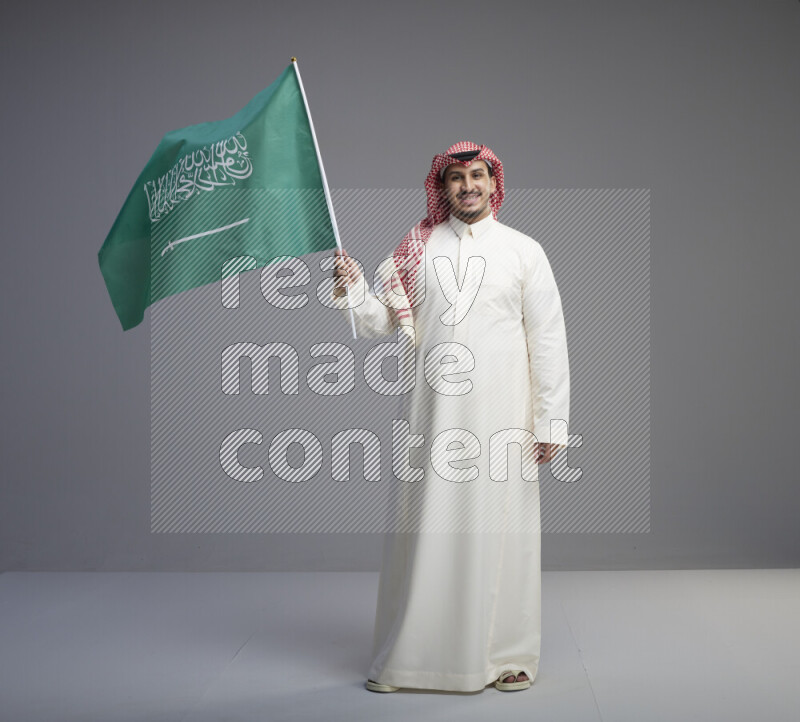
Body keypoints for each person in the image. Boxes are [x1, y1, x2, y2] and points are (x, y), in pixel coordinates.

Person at [331, 141, 570, 693]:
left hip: (505, 417)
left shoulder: (523, 252)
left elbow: (549, 340)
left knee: (505, 534)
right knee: (426, 529)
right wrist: (353, 287)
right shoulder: (417, 247)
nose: (468, 187)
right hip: (430, 416)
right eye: (457, 178)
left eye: (478, 176)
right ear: (442, 188)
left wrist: (551, 420)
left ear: (494, 183)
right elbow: (377, 322)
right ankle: (409, 658)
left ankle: (508, 655)